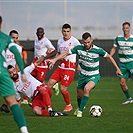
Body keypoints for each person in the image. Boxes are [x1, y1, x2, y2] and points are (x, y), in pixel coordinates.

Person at [47, 32, 122, 117]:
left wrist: (117, 68)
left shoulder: (98, 50)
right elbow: (65, 53)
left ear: (91, 40)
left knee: (87, 89)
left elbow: (109, 57)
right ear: (82, 41)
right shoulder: (79, 48)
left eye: (88, 42)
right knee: (79, 94)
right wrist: (54, 60)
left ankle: (80, 111)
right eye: (85, 42)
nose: (87, 44)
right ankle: (80, 107)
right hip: (83, 76)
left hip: (94, 76)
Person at [0, 16, 29, 133]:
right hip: (3, 72)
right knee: (13, 102)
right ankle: (24, 130)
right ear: (1, 25)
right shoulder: (5, 38)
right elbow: (17, 52)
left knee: (15, 99)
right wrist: (22, 72)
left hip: (9, 73)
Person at [46, 23, 81, 112]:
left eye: (68, 31)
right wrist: (53, 61)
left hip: (69, 68)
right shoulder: (59, 41)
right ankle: (43, 103)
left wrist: (79, 64)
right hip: (60, 67)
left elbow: (81, 53)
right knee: (48, 85)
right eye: (64, 31)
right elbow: (58, 53)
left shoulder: (75, 41)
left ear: (70, 31)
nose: (66, 33)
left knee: (63, 88)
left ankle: (69, 105)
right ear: (62, 31)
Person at [24, 27, 59, 95]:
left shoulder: (46, 41)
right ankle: (26, 99)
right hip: (35, 62)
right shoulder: (36, 40)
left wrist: (45, 57)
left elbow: (54, 51)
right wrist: (25, 49)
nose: (40, 34)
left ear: (43, 33)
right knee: (30, 79)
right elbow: (35, 49)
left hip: (42, 64)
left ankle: (54, 85)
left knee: (39, 82)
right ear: (36, 33)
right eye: (38, 33)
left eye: (41, 33)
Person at [110, 22, 133, 104]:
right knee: (122, 82)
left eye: (127, 28)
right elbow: (114, 48)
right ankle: (129, 98)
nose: (125, 29)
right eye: (124, 28)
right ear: (122, 29)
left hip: (131, 63)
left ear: (129, 28)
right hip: (122, 64)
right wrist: (110, 56)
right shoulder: (118, 38)